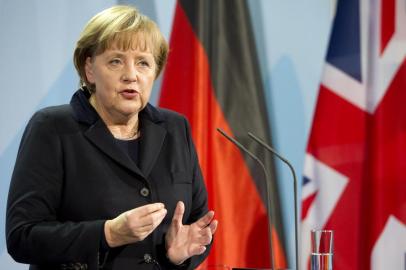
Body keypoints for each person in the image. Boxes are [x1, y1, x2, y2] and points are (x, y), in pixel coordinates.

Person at [6, 5, 218, 270]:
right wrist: (107, 234)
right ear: (90, 70)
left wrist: (178, 255)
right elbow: (22, 236)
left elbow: (197, 222)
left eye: (143, 62)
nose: (131, 75)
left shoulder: (175, 129)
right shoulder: (53, 128)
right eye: (116, 61)